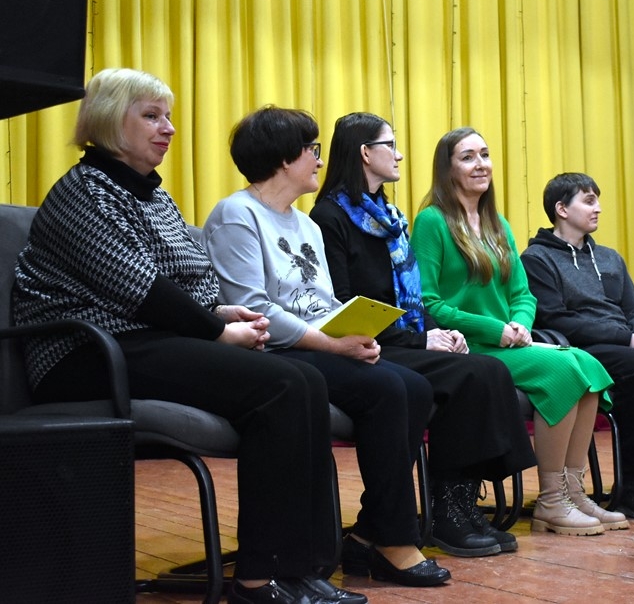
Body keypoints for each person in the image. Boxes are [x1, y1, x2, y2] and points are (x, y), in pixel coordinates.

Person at [12, 69, 365, 604]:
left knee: (303, 379)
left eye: (169, 116)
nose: (169, 128)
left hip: (148, 339)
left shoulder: (153, 195)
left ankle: (302, 568)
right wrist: (218, 331)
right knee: (282, 385)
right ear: (109, 121)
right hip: (84, 351)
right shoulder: (81, 192)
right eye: (152, 116)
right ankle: (259, 578)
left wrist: (221, 312)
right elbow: (140, 288)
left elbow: (192, 280)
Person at [202, 106, 450, 587]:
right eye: (310, 150)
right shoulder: (237, 214)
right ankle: (394, 539)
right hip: (277, 352)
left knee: (415, 387)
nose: (319, 159)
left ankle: (373, 532)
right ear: (283, 158)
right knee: (385, 389)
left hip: (320, 344)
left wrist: (357, 333)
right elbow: (255, 309)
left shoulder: (306, 225)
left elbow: (325, 302)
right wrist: (334, 345)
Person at [308, 111, 537, 553]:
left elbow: (413, 297)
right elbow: (344, 303)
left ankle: (462, 504)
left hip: (403, 339)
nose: (398, 155)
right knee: (476, 373)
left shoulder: (390, 216)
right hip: (367, 344)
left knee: (482, 368)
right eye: (390, 145)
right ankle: (447, 510)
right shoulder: (330, 216)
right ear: (365, 154)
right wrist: (420, 338)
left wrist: (439, 331)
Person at [410, 127, 622, 536]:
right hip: (468, 348)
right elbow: (427, 302)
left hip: (508, 343)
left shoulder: (497, 223)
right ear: (448, 169)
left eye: (485, 154)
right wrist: (495, 328)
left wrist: (522, 324)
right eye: (468, 157)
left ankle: (573, 492)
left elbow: (522, 293)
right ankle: (551, 500)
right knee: (564, 370)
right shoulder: (432, 221)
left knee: (590, 366)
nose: (480, 164)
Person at [520, 172, 634, 519]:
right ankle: (632, 487)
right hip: (581, 349)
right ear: (562, 209)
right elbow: (555, 319)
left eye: (598, 201)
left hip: (626, 343)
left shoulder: (609, 257)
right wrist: (630, 340)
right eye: (589, 201)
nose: (598, 209)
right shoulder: (536, 259)